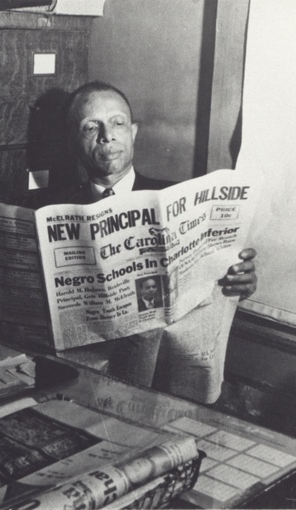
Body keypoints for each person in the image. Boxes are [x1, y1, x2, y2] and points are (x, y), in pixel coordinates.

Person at [54, 81, 257, 402]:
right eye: (91, 127)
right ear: (73, 140)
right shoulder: (52, 211)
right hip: (83, 380)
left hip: (166, 381)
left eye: (118, 123)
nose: (107, 135)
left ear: (133, 132)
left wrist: (238, 278)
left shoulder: (181, 202)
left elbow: (218, 279)